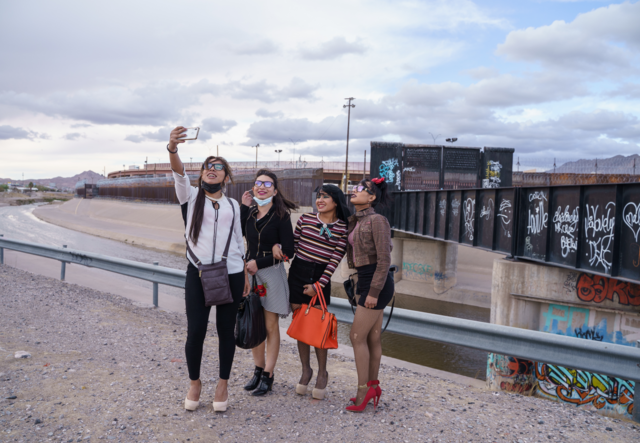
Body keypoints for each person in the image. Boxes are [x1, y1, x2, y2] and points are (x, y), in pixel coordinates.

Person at [167, 126, 250, 413]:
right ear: (201, 174)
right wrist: (173, 148)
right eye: (207, 167)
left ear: (227, 177)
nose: (211, 170)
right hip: (198, 274)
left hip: (233, 273)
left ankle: (223, 384)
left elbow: (239, 241)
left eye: (218, 167)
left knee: (227, 331)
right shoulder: (189, 197)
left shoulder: (233, 205)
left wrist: (247, 274)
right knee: (196, 332)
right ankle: (194, 382)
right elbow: (178, 173)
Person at [281, 184, 350, 400]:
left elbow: (334, 261)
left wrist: (318, 286)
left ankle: (322, 372)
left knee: (318, 327)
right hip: (298, 273)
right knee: (302, 325)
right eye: (318, 197)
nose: (320, 200)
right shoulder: (306, 219)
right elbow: (292, 246)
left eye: (325, 197)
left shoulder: (342, 228)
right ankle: (306, 370)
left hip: (320, 276)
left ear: (336, 202)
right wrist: (279, 250)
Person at [240, 169, 297, 396]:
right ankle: (258, 369)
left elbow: (289, 251)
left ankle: (268, 374)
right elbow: (236, 236)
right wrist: (244, 208)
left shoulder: (281, 215)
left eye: (267, 184)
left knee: (271, 327)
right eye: (258, 183)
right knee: (254, 322)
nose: (262, 187)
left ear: (274, 190)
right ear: (253, 188)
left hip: (270, 274)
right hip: (249, 274)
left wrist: (262, 260)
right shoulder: (251, 212)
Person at [345, 177, 394, 412]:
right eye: (352, 189)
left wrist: (373, 292)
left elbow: (384, 259)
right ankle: (374, 385)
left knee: (356, 336)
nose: (353, 192)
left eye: (359, 189)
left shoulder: (377, 220)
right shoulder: (355, 221)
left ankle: (362, 390)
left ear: (372, 197)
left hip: (377, 283)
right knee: (372, 338)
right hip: (365, 281)